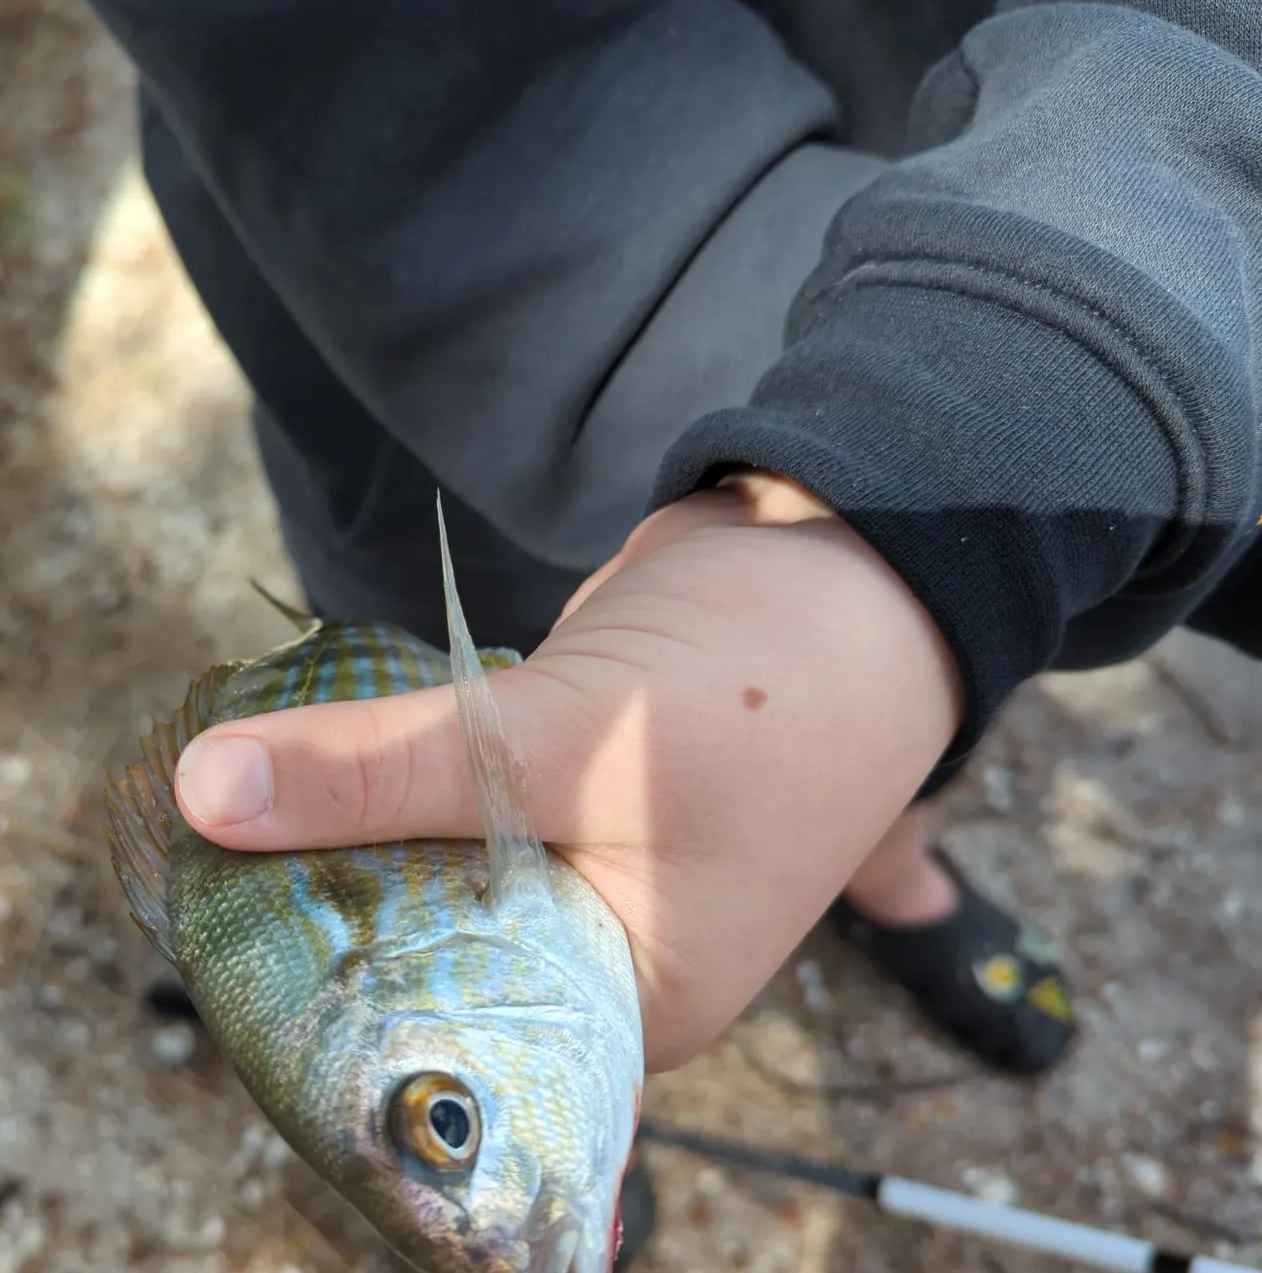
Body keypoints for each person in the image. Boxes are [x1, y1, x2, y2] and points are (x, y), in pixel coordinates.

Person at [85, 1, 1261, 1096]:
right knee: (440, 633)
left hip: (955, 138)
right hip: (357, 231)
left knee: (879, 666)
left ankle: (879, 867)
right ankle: (589, 1058)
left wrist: (994, 370)